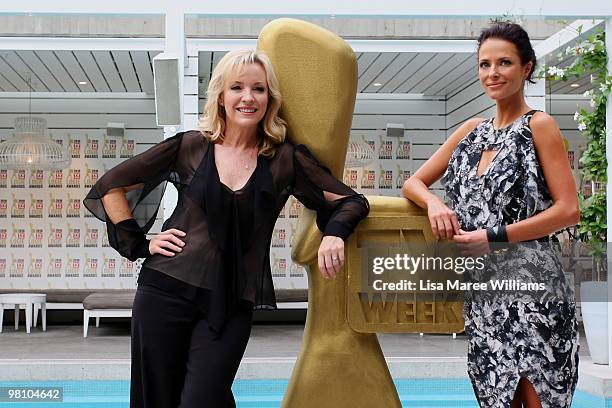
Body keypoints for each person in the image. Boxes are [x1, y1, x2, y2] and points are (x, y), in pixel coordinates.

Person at [83, 49, 369, 408]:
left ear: (270, 99)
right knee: (156, 399)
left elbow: (350, 200)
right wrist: (141, 244)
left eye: (259, 89)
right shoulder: (190, 146)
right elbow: (111, 187)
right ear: (221, 95)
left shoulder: (285, 159)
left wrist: (334, 234)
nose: (248, 97)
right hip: (164, 292)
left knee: (202, 399)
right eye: (237, 87)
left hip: (232, 302)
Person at [402, 22, 579, 408]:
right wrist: (435, 203)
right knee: (494, 398)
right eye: (484, 64)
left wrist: (493, 236)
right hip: (484, 294)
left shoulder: (540, 126)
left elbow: (568, 210)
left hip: (534, 288)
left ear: (526, 68)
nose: (492, 73)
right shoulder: (470, 130)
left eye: (504, 63)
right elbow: (412, 182)